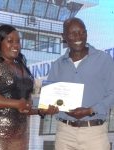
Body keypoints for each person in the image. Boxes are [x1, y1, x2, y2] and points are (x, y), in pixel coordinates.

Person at [0, 24, 59, 150]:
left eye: (18, 41)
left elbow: (24, 106)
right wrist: (17, 104)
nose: (16, 45)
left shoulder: (21, 65)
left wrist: (41, 111)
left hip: (21, 134)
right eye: (10, 41)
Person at [47, 17, 114, 150]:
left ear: (86, 33)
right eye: (72, 33)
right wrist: (49, 107)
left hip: (94, 133)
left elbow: (112, 93)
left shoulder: (104, 59)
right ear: (64, 36)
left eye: (82, 32)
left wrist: (90, 110)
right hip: (64, 133)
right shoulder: (57, 65)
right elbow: (49, 99)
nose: (79, 36)